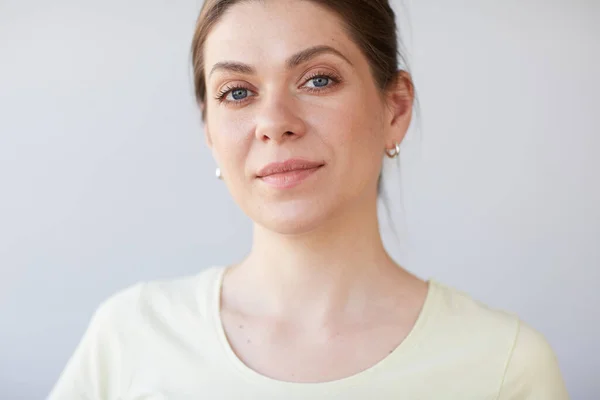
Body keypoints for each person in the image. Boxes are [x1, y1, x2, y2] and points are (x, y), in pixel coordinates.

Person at [48, 0, 569, 398]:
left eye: (317, 80)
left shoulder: (503, 366)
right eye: (237, 92)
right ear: (209, 130)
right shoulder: (128, 338)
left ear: (396, 108)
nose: (274, 123)